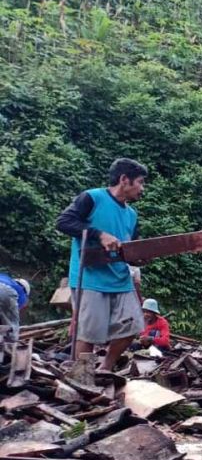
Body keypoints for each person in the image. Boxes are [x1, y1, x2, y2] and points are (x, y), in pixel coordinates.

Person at [56, 158, 147, 371]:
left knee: (133, 325)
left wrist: (138, 258)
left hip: (120, 278)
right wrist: (99, 234)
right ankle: (83, 376)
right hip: (90, 277)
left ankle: (105, 366)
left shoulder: (131, 214)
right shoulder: (92, 198)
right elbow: (64, 222)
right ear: (124, 180)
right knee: (88, 332)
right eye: (140, 182)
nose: (142, 189)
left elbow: (127, 249)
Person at [0, 275, 30, 343]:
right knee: (13, 327)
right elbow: (14, 310)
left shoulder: (6, 279)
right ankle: (10, 341)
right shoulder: (22, 291)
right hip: (5, 291)